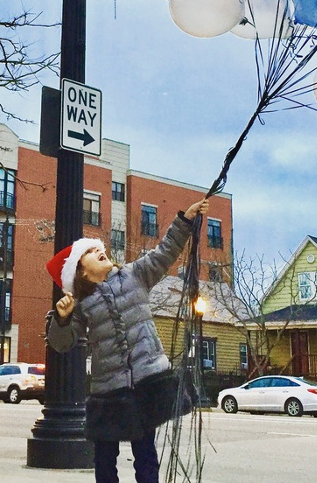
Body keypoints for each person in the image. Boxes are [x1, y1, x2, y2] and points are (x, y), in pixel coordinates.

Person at [46, 198, 209, 483]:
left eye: (100, 249)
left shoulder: (134, 275)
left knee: (146, 455)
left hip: (147, 383)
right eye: (92, 252)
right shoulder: (81, 305)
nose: (101, 251)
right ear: (81, 271)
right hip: (108, 392)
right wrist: (60, 320)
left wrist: (185, 221)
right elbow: (62, 343)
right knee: (104, 460)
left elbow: (164, 253)